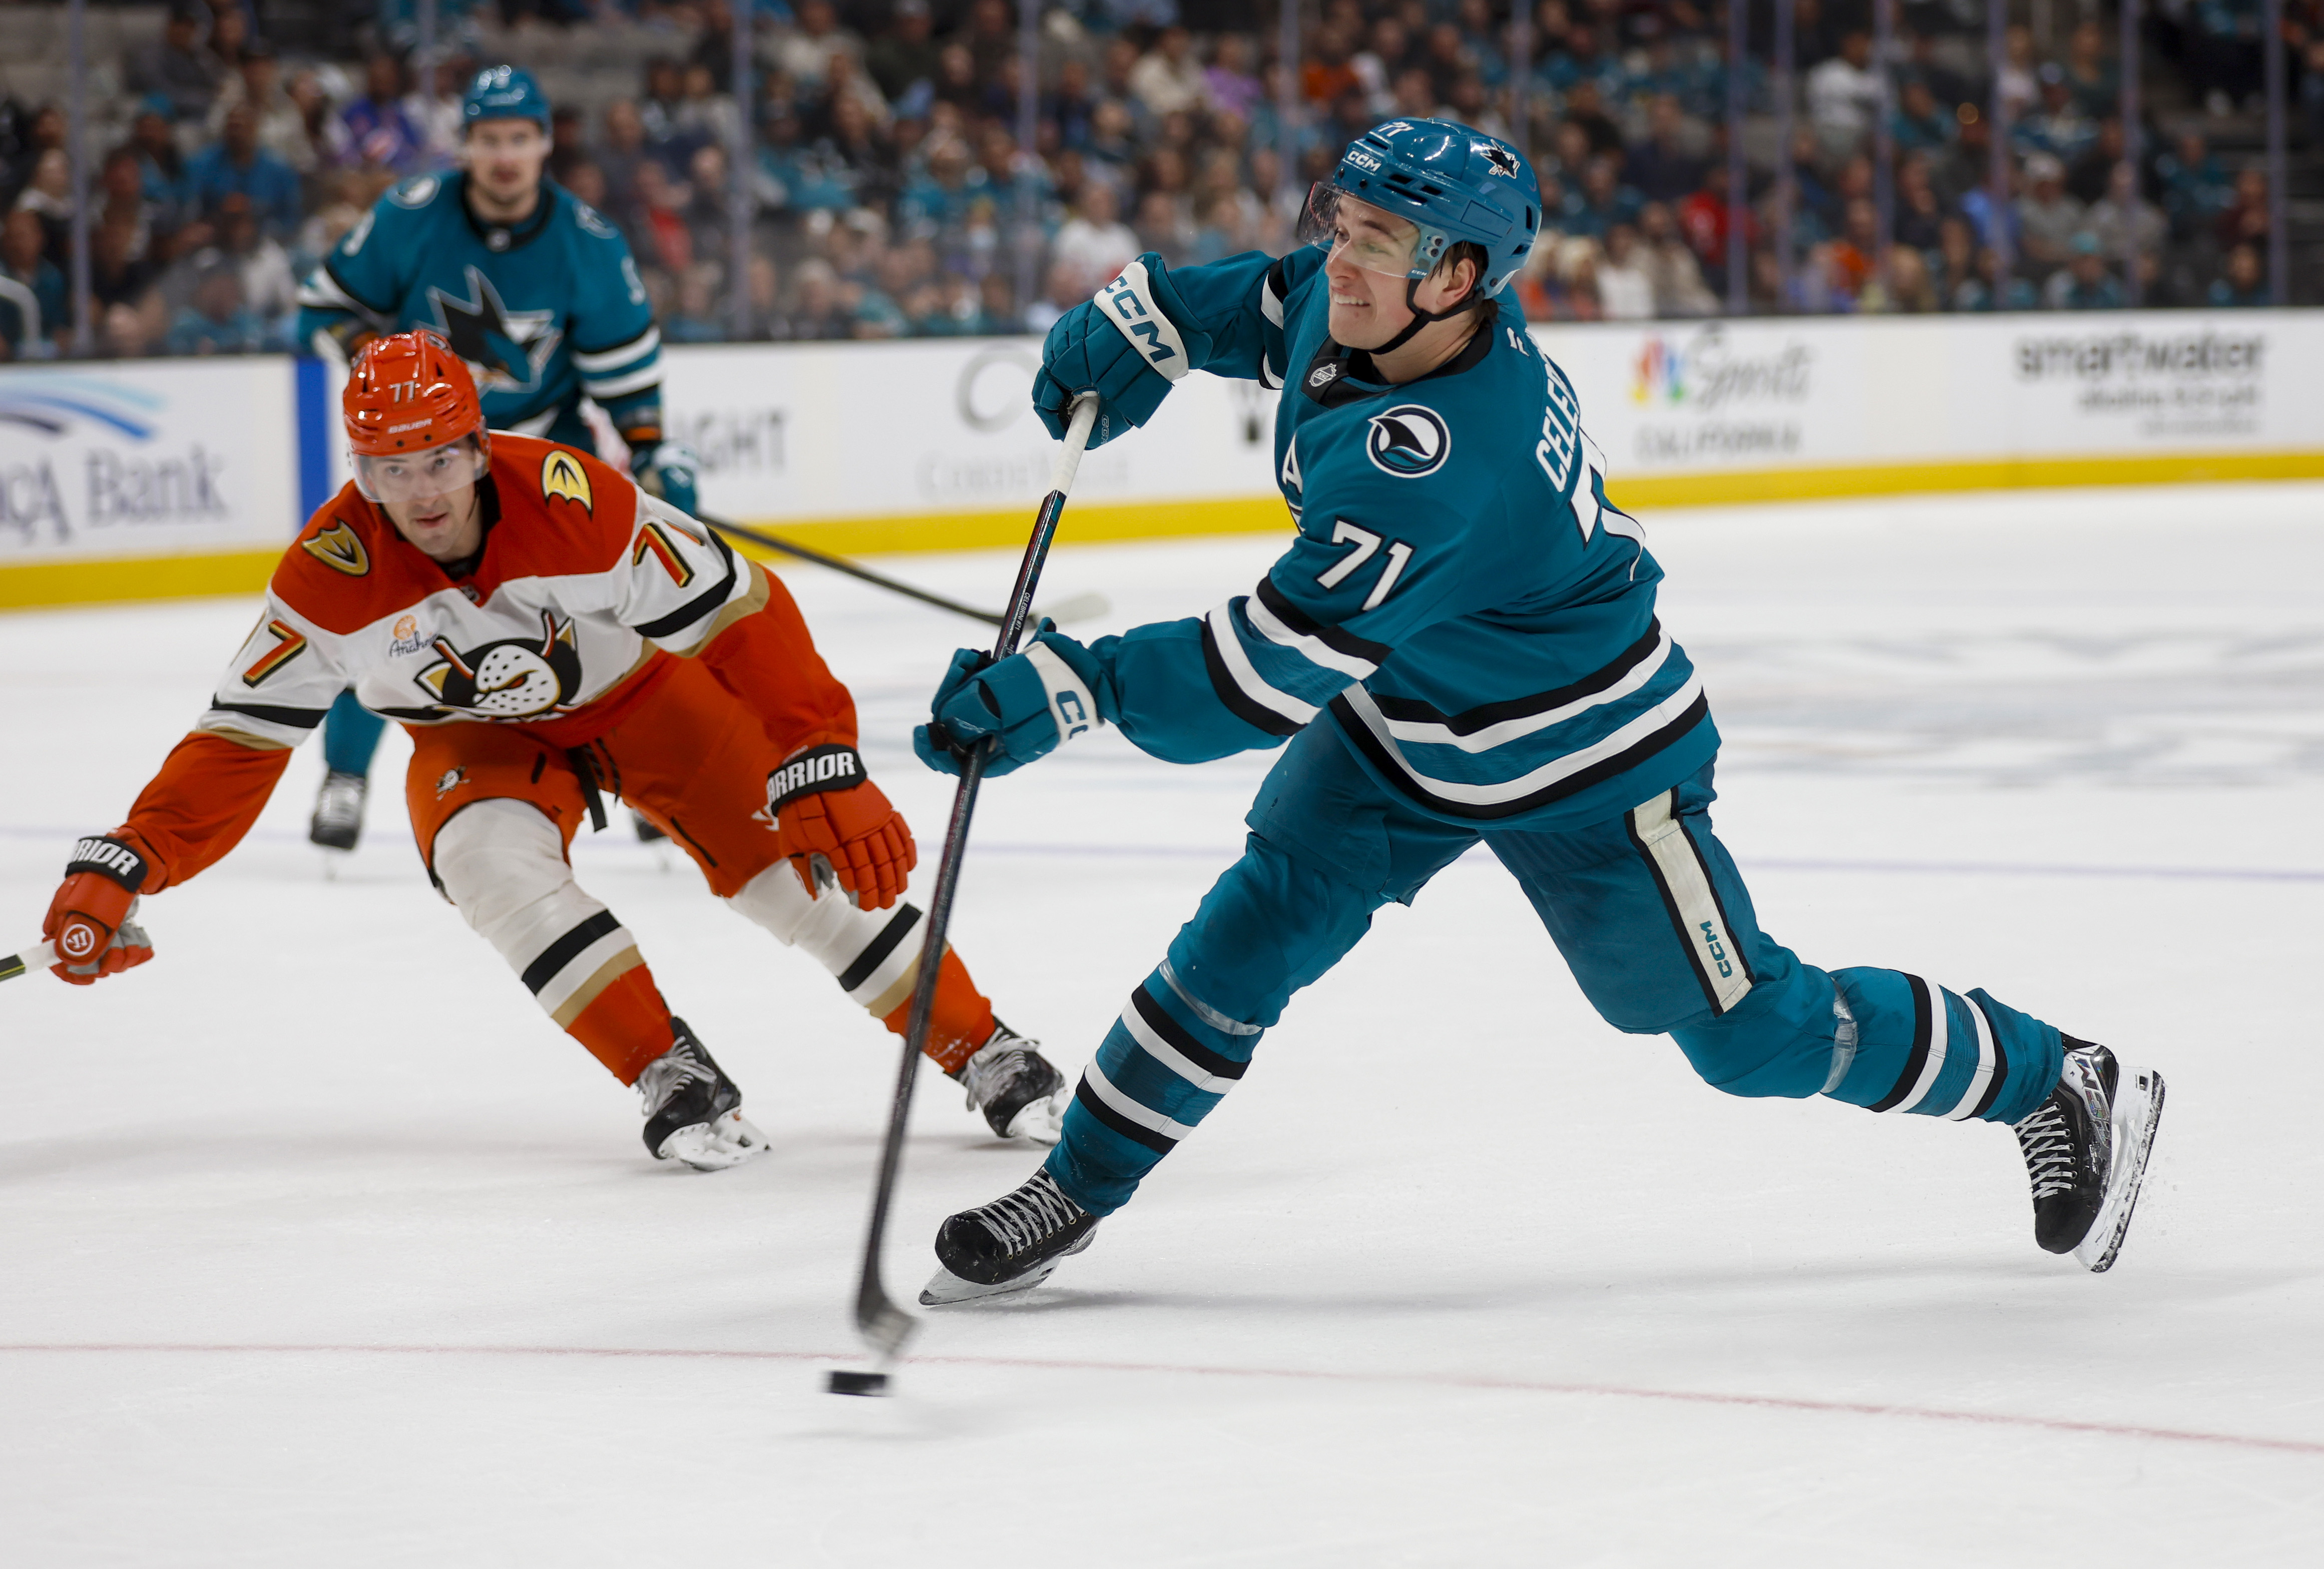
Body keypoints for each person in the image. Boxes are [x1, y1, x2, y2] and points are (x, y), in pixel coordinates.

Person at [905, 120, 2166, 1305]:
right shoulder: (1378, 313)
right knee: (1245, 939)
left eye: (1376, 244)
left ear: (1457, 279)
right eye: (1342, 222)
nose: (1339, 257)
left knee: (1750, 1035)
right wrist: (1147, 323)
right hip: (1410, 718)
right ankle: (1073, 1186)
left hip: (1586, 756)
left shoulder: (1444, 461)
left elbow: (1261, 675)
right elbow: (1263, 301)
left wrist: (1072, 686)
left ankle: (2051, 1074)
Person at [35, 331, 1072, 1167]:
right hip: (474, 740)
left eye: (441, 457)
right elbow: (240, 736)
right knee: (487, 862)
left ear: (481, 448)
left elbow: (741, 608)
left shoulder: (585, 505)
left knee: (798, 884)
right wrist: (134, 856)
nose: (424, 490)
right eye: (393, 469)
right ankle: (665, 1066)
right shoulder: (326, 575)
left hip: (645, 697)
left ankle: (982, 1045)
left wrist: (818, 751)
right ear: (360, 471)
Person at [294, 66, 701, 854]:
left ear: (545, 143)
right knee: (384, 604)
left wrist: (648, 451)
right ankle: (346, 773)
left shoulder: (588, 241)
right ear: (467, 146)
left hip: (545, 453)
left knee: (619, 596)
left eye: (520, 138)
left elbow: (624, 368)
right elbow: (325, 305)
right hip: (425, 457)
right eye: (489, 140)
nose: (506, 156)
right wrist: (376, 361)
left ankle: (647, 772)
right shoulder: (412, 216)